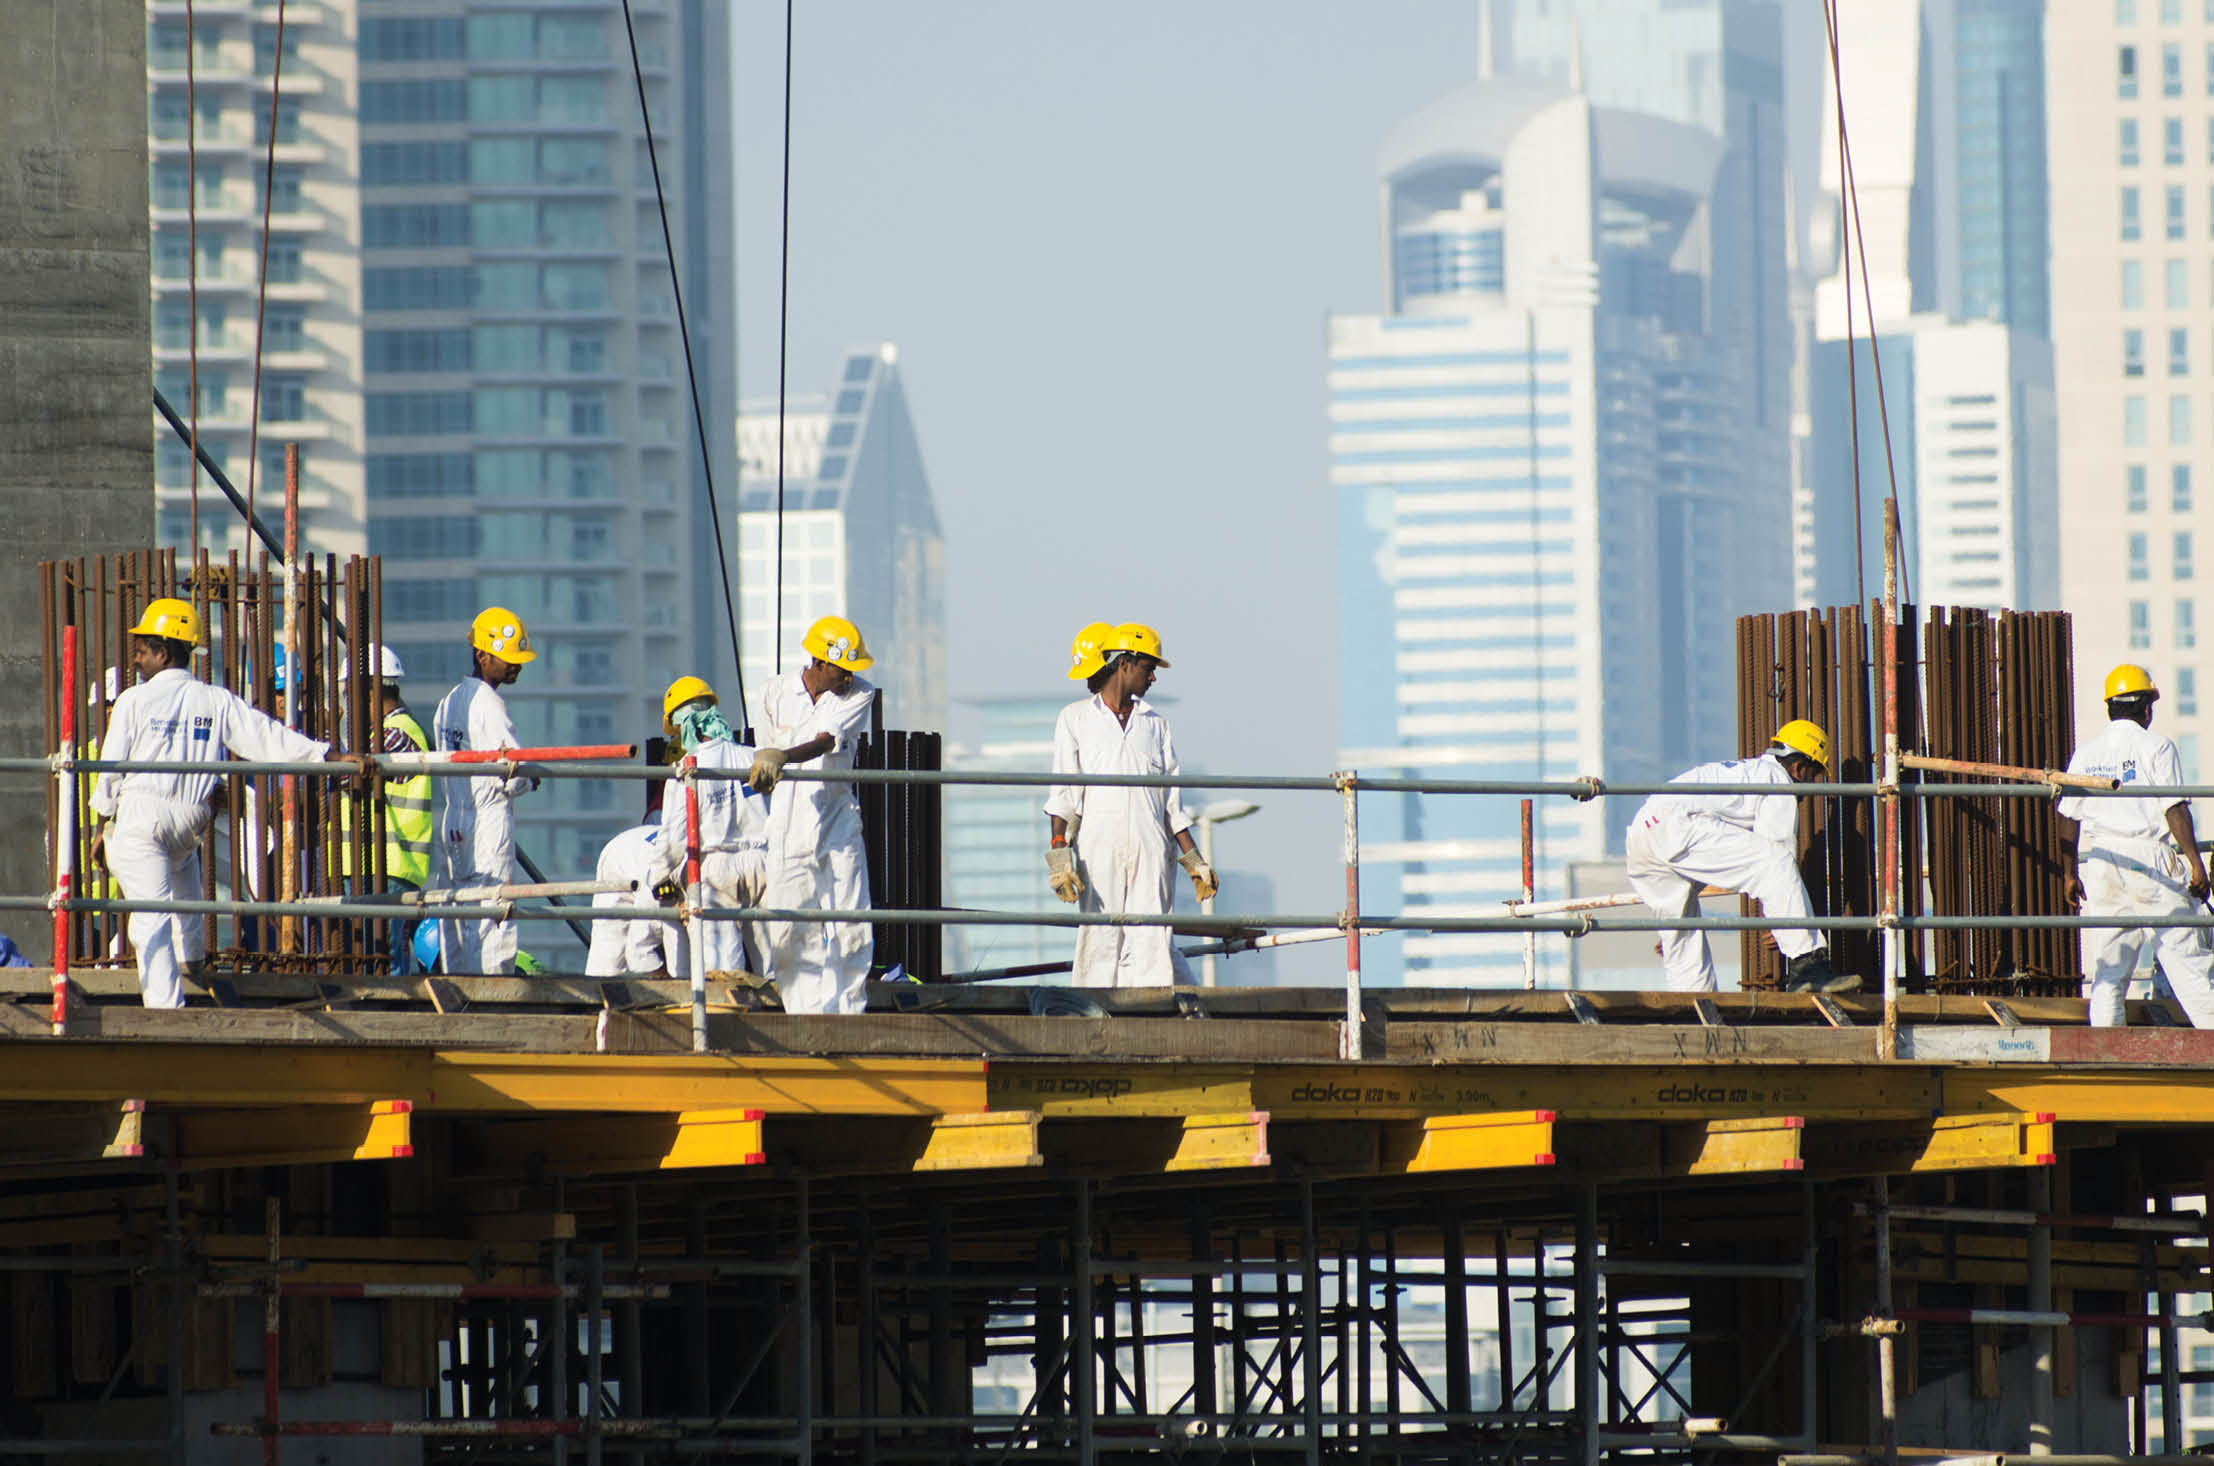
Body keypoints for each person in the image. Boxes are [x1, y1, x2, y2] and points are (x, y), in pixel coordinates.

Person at [86, 597, 355, 1007]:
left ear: (163, 651)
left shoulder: (133, 702)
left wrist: (103, 826)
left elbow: (111, 771)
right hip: (189, 821)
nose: (136, 659)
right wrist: (326, 755)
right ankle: (193, 968)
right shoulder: (214, 700)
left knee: (151, 917)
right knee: (187, 897)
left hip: (141, 819)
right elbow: (267, 738)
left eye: (142, 650)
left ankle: (165, 1010)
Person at [1044, 622, 1216, 988]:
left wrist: (1194, 860)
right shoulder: (1075, 719)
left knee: (1152, 938)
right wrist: (1059, 853)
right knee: (1099, 939)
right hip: (1097, 845)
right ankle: (1094, 1021)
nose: (1153, 677)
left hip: (1151, 846)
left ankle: (1154, 1020)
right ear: (1125, 663)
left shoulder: (1156, 725)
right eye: (1148, 667)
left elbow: (1172, 802)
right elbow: (1063, 793)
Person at [1623, 720, 1848, 995]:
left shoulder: (1746, 774)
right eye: (1813, 776)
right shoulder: (1777, 780)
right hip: (1679, 826)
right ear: (1800, 768)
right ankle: (1809, 965)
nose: (1811, 787)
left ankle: (1693, 1008)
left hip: (1643, 833)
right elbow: (1777, 854)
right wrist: (1785, 924)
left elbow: (1725, 856)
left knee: (1680, 932)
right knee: (1775, 861)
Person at [2057, 664, 2214, 1027]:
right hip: (2150, 860)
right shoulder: (2157, 746)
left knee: (2110, 971)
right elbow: (2173, 807)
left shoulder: (2086, 754)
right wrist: (2195, 862)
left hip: (2100, 863)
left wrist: (2068, 873)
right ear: (2146, 708)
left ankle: (2104, 1055)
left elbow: (2067, 816)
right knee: (2188, 963)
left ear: (2110, 707)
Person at [746, 616, 878, 1014]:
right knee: (789, 926)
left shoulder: (859, 694)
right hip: (787, 821)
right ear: (821, 663)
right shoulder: (774, 692)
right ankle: (802, 1014)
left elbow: (824, 741)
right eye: (842, 670)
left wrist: (782, 756)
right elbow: (765, 746)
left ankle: (848, 1014)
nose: (848, 678)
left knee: (850, 922)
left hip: (836, 819)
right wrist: (771, 759)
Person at [432, 607, 538, 975]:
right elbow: (512, 773)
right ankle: (493, 993)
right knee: (495, 911)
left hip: (454, 821)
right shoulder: (490, 705)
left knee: (457, 910)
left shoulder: (449, 702)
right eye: (508, 659)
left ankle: (459, 984)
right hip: (488, 821)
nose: (516, 666)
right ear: (482, 655)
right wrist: (530, 777)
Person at [649, 676, 770, 977]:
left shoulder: (687, 770)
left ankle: (724, 1022)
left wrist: (659, 878)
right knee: (776, 964)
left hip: (716, 870)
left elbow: (675, 839)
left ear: (683, 725)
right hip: (766, 864)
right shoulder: (752, 757)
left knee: (722, 971)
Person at [341, 647, 433, 976]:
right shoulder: (376, 736)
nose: (345, 706)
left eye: (347, 694)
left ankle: (388, 1014)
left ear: (368, 692)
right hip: (368, 864)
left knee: (384, 960)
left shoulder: (400, 734)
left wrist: (326, 748)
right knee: (367, 960)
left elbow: (342, 773)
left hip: (389, 868)